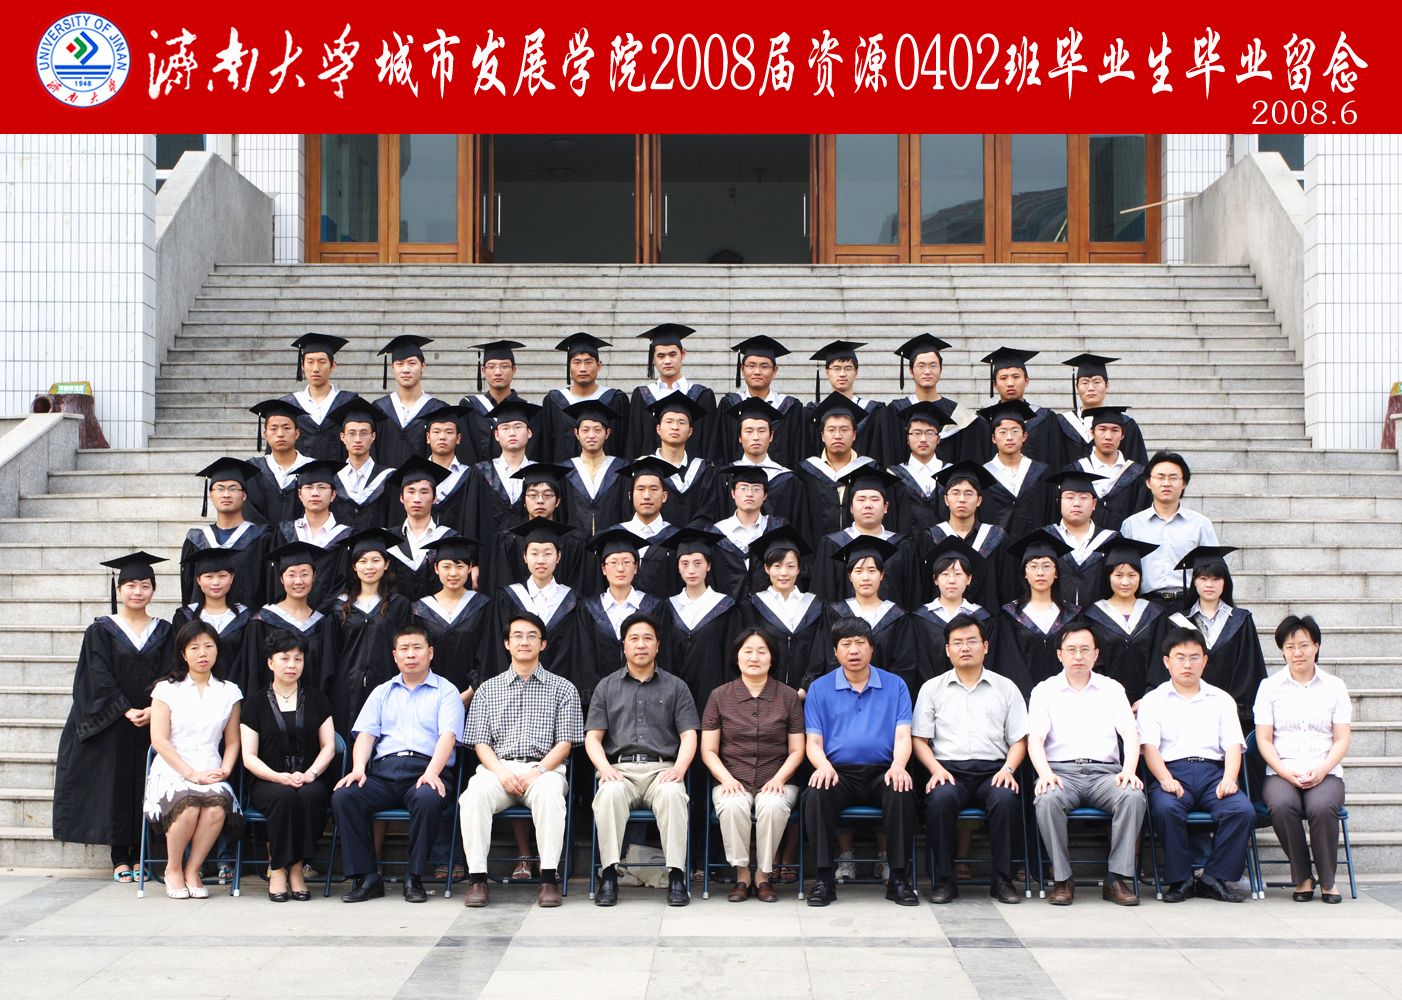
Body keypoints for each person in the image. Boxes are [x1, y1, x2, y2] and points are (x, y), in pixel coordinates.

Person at [53, 552, 173, 882]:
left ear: (153, 590)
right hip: (114, 722)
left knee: (148, 786)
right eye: (131, 585)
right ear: (119, 590)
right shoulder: (101, 630)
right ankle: (121, 858)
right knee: (116, 788)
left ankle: (144, 855)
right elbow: (96, 674)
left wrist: (155, 708)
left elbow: (170, 672)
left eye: (145, 585)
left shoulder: (165, 630)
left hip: (153, 720)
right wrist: (124, 708)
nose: (138, 591)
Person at [332, 623, 466, 903]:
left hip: (426, 770)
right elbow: (366, 734)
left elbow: (448, 736)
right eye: (404, 649)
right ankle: (367, 877)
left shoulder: (446, 691)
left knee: (427, 798)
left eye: (417, 648)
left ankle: (414, 878)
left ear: (430, 653)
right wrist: (358, 769)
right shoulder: (382, 692)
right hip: (384, 772)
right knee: (345, 796)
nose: (410, 654)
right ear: (395, 656)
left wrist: (432, 772)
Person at [460, 611, 584, 908]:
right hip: (498, 768)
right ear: (507, 643)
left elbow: (565, 743)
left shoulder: (563, 688)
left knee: (550, 795)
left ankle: (548, 878)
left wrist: (537, 771)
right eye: (517, 636)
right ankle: (477, 879)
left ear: (543, 644)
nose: (524, 642)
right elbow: (480, 743)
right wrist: (501, 773)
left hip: (544, 769)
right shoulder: (488, 689)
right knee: (473, 796)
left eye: (532, 636)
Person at [1027, 622, 1146, 906]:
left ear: (1096, 654)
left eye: (1085, 649)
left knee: (1133, 796)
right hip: (1061, 773)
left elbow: (1130, 733)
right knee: (1046, 799)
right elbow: (1035, 739)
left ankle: (1116, 879)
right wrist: (1044, 774)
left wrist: (1129, 771)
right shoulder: (1045, 690)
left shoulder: (1111, 688)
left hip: (1106, 774)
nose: (1078, 656)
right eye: (1071, 649)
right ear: (1060, 655)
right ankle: (1062, 879)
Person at [912, 613, 1028, 904]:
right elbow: (919, 740)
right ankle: (945, 880)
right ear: (947, 649)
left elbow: (1019, 740)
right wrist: (935, 769)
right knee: (939, 801)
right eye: (958, 642)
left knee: (1006, 800)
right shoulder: (932, 688)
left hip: (994, 770)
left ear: (985, 647)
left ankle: (1002, 880)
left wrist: (1008, 769)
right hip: (949, 771)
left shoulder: (1006, 687)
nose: (965, 648)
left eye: (972, 641)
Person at [587, 612, 700, 907]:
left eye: (647, 638)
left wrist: (679, 768)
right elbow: (593, 738)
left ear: (658, 645)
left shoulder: (676, 686)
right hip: (619, 769)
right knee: (608, 794)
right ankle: (609, 875)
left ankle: (676, 875)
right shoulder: (606, 687)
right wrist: (604, 768)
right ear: (623, 645)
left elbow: (689, 735)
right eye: (634, 638)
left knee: (674, 795)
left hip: (662, 769)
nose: (641, 644)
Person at [803, 616, 918, 906]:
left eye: (860, 643)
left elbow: (903, 735)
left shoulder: (895, 685)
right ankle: (824, 879)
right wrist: (823, 766)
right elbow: (813, 741)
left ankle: (899, 879)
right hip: (839, 772)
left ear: (872, 648)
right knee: (815, 793)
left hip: (883, 770)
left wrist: (899, 766)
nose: (854, 650)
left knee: (902, 791)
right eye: (846, 644)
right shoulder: (819, 688)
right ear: (835, 651)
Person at [1139, 626, 1255, 903]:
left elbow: (1233, 745)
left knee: (1242, 810)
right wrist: (1165, 779)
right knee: (1165, 809)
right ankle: (1181, 879)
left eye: (1194, 657)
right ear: (1167, 662)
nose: (1187, 664)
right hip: (1172, 772)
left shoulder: (1221, 699)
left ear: (1205, 660)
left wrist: (1229, 778)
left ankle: (1213, 878)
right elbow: (1149, 748)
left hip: (1213, 774)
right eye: (1180, 657)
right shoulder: (1154, 700)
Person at [701, 628, 805, 902]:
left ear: (772, 658)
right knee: (733, 805)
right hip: (732, 778)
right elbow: (708, 750)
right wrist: (726, 779)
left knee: (772, 805)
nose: (754, 658)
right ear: (737, 658)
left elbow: (797, 750)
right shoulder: (719, 696)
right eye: (747, 651)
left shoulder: (788, 697)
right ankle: (742, 874)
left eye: (762, 651)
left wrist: (779, 779)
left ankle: (763, 874)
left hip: (778, 779)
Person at [1254, 614, 1352, 904]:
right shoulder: (1269, 687)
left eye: (1304, 645)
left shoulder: (1335, 686)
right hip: (1281, 770)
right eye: (1290, 647)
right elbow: (1263, 739)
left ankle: (1328, 881)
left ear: (1316, 646)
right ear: (1283, 651)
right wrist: (1284, 772)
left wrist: (1322, 770)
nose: (1297, 653)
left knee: (1321, 806)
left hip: (1325, 770)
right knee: (1282, 805)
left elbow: (1342, 738)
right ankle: (1303, 877)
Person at [142, 620, 243, 899]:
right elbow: (159, 740)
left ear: (217, 651)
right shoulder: (166, 690)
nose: (203, 653)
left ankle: (193, 870)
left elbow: (233, 741)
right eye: (194, 647)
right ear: (183, 654)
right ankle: (173, 869)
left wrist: (225, 769)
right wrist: (190, 773)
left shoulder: (229, 691)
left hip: (211, 766)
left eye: (209, 646)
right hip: (172, 767)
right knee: (187, 806)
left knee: (215, 808)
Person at [240, 629, 337, 902]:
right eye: (284, 658)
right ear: (270, 662)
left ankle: (297, 869)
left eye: (298, 659)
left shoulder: (317, 698)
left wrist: (311, 773)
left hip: (309, 775)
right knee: (283, 797)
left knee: (311, 795)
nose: (292, 665)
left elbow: (329, 746)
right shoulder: (255, 703)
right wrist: (278, 777)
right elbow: (249, 756)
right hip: (267, 778)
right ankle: (279, 869)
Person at [1157, 546, 1267, 738]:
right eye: (1203, 578)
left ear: (1225, 582)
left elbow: (1249, 669)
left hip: (1232, 712)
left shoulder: (1241, 620)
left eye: (1216, 579)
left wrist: (1235, 707)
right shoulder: (1177, 621)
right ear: (1194, 582)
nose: (1210, 584)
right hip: (1185, 709)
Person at [328, 528, 415, 736]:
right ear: (354, 566)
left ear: (386, 564)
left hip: (388, 684)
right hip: (346, 688)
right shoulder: (339, 607)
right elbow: (331, 654)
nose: (369, 567)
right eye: (363, 561)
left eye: (376, 560)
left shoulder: (399, 605)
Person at [575, 528, 667, 704]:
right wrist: (599, 699)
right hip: (601, 700)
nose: (620, 568)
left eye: (626, 562)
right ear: (603, 569)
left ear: (636, 567)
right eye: (613, 562)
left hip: (648, 698)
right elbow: (585, 660)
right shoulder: (588, 609)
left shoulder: (654, 607)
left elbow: (661, 656)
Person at [810, 466, 921, 610]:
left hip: (894, 624)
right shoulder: (832, 545)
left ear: (886, 507)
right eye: (861, 499)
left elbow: (912, 600)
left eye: (875, 499)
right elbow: (822, 598)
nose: (868, 505)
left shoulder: (903, 546)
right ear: (851, 507)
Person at [813, 536, 913, 695]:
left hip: (886, 697)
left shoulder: (898, 617)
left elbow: (904, 665)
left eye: (872, 571)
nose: (865, 577)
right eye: (858, 571)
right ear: (850, 576)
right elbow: (828, 659)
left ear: (882, 575)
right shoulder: (835, 613)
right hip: (841, 696)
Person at [1120, 452, 1219, 607]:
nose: (1166, 483)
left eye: (1173, 478)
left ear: (1184, 483)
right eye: (1160, 477)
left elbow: (1215, 568)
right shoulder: (1131, 525)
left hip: (1189, 604)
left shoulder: (1200, 524)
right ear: (1148, 482)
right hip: (1144, 605)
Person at [488, 519, 581, 682]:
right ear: (525, 557)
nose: (541, 560)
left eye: (548, 553)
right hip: (513, 686)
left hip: (560, 687)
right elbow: (497, 649)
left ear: (558, 556)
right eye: (534, 553)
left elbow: (574, 653)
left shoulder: (572, 601)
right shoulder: (507, 597)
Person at [240, 542, 333, 703]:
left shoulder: (323, 623)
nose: (298, 581)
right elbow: (254, 675)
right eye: (291, 575)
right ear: (281, 579)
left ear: (314, 577)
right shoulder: (262, 621)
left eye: (304, 574)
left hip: (312, 708)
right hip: (270, 707)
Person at [1081, 538, 1167, 710]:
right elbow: (1093, 662)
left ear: (1140, 577)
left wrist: (1149, 698)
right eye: (1118, 575)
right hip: (1104, 704)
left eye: (1132, 575)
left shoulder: (1155, 614)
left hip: (1149, 704)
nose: (1125, 582)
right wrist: (1109, 698)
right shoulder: (1093, 615)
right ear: (1108, 577)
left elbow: (1160, 661)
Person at [462, 398, 539, 586]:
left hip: (531, 558)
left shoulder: (539, 472)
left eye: (518, 427)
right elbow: (471, 521)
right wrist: (473, 562)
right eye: (505, 428)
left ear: (529, 432)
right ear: (496, 435)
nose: (512, 433)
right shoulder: (481, 472)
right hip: (490, 558)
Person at [740, 526, 826, 694]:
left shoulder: (816, 606)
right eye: (777, 566)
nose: (784, 573)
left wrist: (806, 688)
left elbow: (819, 652)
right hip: (763, 693)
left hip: (806, 695)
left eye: (790, 566)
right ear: (767, 569)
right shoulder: (752, 606)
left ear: (798, 569)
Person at [664, 525, 742, 710]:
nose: (691, 570)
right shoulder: (667, 608)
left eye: (698, 563)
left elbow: (731, 659)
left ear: (708, 566)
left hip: (716, 699)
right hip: (674, 701)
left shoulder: (725, 607)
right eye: (685, 564)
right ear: (678, 567)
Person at [993, 530, 1078, 697]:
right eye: (1033, 566)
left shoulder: (1072, 614)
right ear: (1024, 573)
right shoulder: (1010, 615)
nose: (1040, 573)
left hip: (1066, 698)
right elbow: (1008, 661)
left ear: (1056, 573)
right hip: (1021, 698)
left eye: (1047, 566)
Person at [484, 464, 589, 596]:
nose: (540, 501)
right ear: (524, 501)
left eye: (547, 495)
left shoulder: (573, 541)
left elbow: (579, 588)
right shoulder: (508, 540)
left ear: (558, 501)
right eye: (533, 495)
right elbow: (503, 587)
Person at [411, 537, 490, 709]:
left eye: (460, 566)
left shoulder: (483, 606)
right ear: (436, 568)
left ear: (469, 568)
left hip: (476, 698)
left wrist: (472, 691)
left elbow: (488, 653)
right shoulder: (420, 609)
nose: (453, 573)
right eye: (446, 567)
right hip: (430, 699)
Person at [182, 458, 270, 611]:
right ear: (211, 494)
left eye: (233, 489)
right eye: (220, 489)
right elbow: (188, 590)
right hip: (203, 622)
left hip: (249, 622)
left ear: (244, 495)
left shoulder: (261, 538)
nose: (226, 494)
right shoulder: (197, 540)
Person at [887, 334, 987, 465]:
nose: (927, 371)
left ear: (941, 370)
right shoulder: (895, 411)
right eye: (921, 366)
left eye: (933, 365)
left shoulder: (958, 414)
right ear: (911, 371)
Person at [910, 536, 995, 686]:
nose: (951, 580)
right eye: (945, 574)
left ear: (969, 579)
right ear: (935, 580)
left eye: (958, 574)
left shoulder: (983, 618)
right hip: (932, 691)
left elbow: (989, 660)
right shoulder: (919, 618)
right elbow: (918, 662)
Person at [1041, 354, 1149, 471]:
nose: (1091, 388)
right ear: (1077, 387)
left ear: (1107, 385)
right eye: (1085, 382)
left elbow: (1138, 469)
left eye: (1097, 382)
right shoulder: (1060, 423)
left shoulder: (1126, 424)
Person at [712, 336, 806, 469]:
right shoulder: (729, 405)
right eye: (751, 366)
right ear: (742, 369)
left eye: (764, 366)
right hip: (737, 480)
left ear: (774, 371)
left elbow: (798, 453)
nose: (757, 372)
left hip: (781, 480)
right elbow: (719, 452)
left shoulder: (791, 408)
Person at [625, 323, 717, 459]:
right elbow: (633, 443)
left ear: (683, 354)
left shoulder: (702, 396)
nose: (667, 361)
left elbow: (710, 445)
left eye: (672, 354)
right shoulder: (642, 396)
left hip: (692, 472)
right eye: (661, 356)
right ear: (653, 359)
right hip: (650, 471)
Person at [928, 462, 1008, 614]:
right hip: (941, 621)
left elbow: (1006, 586)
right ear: (946, 500)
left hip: (988, 620)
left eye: (969, 493)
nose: (962, 499)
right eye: (955, 493)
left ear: (979, 500)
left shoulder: (996, 538)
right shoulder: (931, 538)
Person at [717, 397, 808, 528]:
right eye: (749, 431)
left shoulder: (790, 481)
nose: (756, 437)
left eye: (761, 431)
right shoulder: (724, 477)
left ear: (771, 436)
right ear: (740, 437)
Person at [796, 393, 875, 543]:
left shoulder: (869, 469)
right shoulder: (806, 471)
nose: (838, 435)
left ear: (854, 435)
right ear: (822, 436)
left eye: (844, 430)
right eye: (831, 430)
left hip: (860, 551)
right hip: (817, 550)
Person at [537, 333, 630, 461]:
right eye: (576, 362)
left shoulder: (616, 400)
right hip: (562, 473)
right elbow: (546, 448)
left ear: (599, 366)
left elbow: (625, 444)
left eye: (588, 362)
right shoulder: (554, 402)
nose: (582, 368)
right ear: (569, 365)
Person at [275, 459, 352, 610]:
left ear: (333, 495)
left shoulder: (346, 537)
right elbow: (275, 579)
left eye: (322, 487)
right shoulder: (285, 532)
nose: (315, 493)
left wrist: (323, 615)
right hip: (290, 614)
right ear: (300, 494)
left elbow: (345, 583)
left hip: (332, 616)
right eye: (309, 487)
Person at [977, 399, 1054, 551]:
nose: (1009, 437)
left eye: (1015, 431)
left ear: (1024, 436)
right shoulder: (983, 475)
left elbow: (1049, 514)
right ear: (993, 438)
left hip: (1034, 553)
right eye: (1002, 432)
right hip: (995, 553)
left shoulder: (1041, 472)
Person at [605, 456, 682, 598]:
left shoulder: (676, 539)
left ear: (664, 496)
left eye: (653, 489)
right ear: (630, 495)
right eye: (640, 489)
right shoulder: (613, 535)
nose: (646, 496)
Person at [384, 457, 458, 602]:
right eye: (411, 492)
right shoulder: (389, 539)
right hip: (395, 613)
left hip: (438, 614)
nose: (417, 499)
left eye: (424, 492)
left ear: (435, 498)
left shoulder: (448, 538)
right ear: (401, 497)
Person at [372, 335, 449, 469]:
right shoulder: (379, 409)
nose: (406, 369)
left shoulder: (438, 409)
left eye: (412, 363)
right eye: (400, 364)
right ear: (392, 367)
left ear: (423, 366)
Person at [1044, 467, 1118, 608]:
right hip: (1055, 617)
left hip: (1099, 618)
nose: (1076, 503)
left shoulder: (1111, 540)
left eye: (1084, 497)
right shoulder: (1046, 538)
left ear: (1094, 504)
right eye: (1069, 497)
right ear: (1059, 501)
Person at [803, 341, 887, 461]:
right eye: (836, 368)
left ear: (856, 372)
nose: (842, 374)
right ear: (827, 372)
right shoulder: (813, 412)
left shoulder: (874, 411)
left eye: (848, 368)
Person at [560, 399, 631, 537]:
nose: (591, 435)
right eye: (585, 430)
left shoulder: (621, 469)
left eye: (597, 430)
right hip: (574, 545)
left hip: (611, 544)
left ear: (607, 433)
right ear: (576, 433)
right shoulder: (565, 470)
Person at [648, 393, 720, 526]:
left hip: (696, 539)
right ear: (658, 429)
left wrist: (688, 537)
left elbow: (708, 512)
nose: (675, 427)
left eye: (681, 422)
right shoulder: (646, 468)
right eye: (669, 421)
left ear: (690, 431)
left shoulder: (704, 470)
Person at [710, 466, 782, 598]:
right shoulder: (716, 534)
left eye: (756, 489)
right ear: (733, 493)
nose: (749, 494)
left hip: (768, 606)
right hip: (727, 607)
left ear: (765, 495)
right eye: (743, 488)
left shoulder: (776, 529)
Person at [284, 333, 357, 463]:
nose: (315, 369)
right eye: (310, 362)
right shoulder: (289, 404)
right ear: (302, 366)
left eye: (322, 362)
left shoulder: (349, 402)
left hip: (341, 474)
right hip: (299, 475)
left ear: (333, 366)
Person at [171, 547, 253, 662]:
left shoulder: (246, 618)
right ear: (198, 580)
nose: (216, 582)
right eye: (209, 576)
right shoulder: (184, 617)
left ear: (232, 578)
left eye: (222, 576)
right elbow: (178, 658)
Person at [1075, 406, 1150, 532]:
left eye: (1115, 430)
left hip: (1124, 543)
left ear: (1122, 435)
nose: (1108, 436)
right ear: (1092, 433)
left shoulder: (1137, 475)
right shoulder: (1076, 471)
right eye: (1102, 429)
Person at [329, 397, 399, 532]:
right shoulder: (333, 478)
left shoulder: (388, 478)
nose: (357, 439)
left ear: (373, 436)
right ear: (342, 437)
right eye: (352, 433)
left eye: (364, 433)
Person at [977, 346, 1057, 463]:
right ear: (994, 384)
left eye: (1016, 377)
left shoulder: (1045, 419)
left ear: (1026, 381)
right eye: (1003, 378)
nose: (1010, 383)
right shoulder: (984, 422)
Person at [886, 401, 952, 541]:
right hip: (906, 548)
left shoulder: (950, 473)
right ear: (908, 439)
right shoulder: (894, 475)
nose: (923, 439)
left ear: (938, 439)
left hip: (945, 548)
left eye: (929, 433)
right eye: (917, 433)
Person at [457, 340, 527, 466]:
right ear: (483, 370)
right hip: (478, 476)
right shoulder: (470, 407)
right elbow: (465, 452)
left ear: (514, 370)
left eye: (504, 366)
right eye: (491, 367)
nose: (498, 372)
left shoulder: (527, 409)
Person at [245, 398, 313, 526]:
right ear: (265, 434)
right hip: (261, 538)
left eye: (287, 428)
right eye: (273, 429)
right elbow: (250, 514)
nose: (280, 434)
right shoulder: (253, 470)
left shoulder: (312, 468)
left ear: (297, 433)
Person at [424, 405, 472, 532]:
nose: (442, 437)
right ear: (428, 438)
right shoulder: (417, 473)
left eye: (449, 432)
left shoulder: (470, 476)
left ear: (458, 438)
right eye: (436, 432)